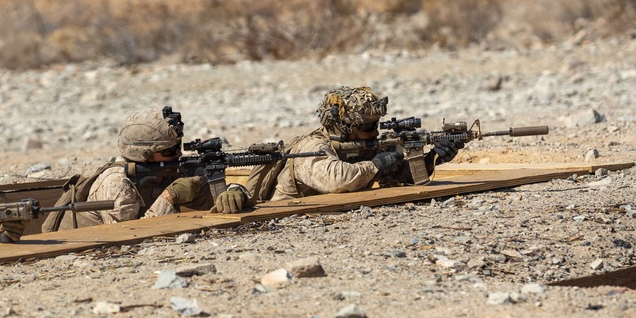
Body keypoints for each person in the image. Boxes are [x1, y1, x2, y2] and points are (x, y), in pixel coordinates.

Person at [41, 106, 248, 232]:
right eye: (169, 151)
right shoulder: (117, 184)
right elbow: (126, 235)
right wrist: (169, 198)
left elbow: (209, 192)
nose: (178, 154)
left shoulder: (166, 170)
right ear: (144, 155)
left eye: (177, 147)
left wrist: (234, 192)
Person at [245, 86, 462, 202]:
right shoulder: (312, 147)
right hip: (285, 215)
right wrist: (376, 164)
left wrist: (432, 158)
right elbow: (336, 181)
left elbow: (400, 175)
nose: (375, 132)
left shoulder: (362, 146)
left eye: (376, 124)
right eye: (367, 127)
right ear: (344, 127)